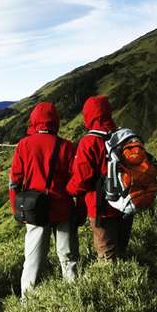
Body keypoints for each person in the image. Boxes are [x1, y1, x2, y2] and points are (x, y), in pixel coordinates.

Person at [8, 101, 77, 299]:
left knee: (33, 260)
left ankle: (27, 304)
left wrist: (17, 210)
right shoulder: (66, 146)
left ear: (34, 121)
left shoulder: (24, 145)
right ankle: (74, 297)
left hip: (35, 211)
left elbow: (15, 181)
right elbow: (76, 179)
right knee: (68, 257)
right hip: (63, 208)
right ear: (55, 121)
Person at [67, 94, 133, 261]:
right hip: (126, 204)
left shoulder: (89, 142)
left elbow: (82, 179)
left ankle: (114, 285)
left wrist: (68, 189)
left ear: (88, 115)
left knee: (107, 257)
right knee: (122, 250)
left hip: (101, 210)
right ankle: (129, 281)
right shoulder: (123, 136)